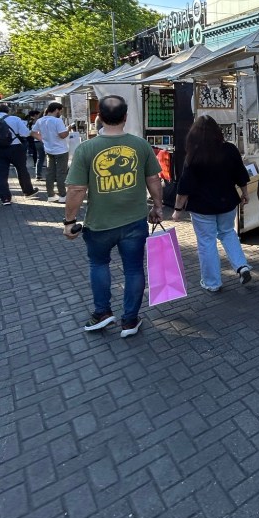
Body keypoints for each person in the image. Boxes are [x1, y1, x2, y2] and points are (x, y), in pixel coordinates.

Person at [64, 94, 163, 337]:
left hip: (99, 224)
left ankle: (102, 313)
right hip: (134, 221)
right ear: (125, 117)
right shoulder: (140, 145)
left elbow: (76, 189)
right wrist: (158, 207)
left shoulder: (86, 148)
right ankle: (129, 320)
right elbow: (153, 179)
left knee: (99, 265)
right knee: (133, 269)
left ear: (99, 117)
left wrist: (69, 221)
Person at [172, 114, 252, 292]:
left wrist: (177, 209)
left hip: (202, 206)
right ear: (218, 131)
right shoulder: (230, 149)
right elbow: (240, 174)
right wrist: (245, 193)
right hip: (227, 202)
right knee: (228, 233)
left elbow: (185, 186)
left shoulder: (194, 154)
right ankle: (242, 266)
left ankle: (212, 283)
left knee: (206, 242)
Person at [0, 104, 39, 206]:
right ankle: (28, 191)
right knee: (22, 169)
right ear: (8, 111)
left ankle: (5, 198)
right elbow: (25, 133)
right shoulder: (15, 119)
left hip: (0, 149)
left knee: (1, 173)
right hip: (16, 148)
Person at [33, 102, 71, 202]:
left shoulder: (40, 120)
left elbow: (33, 132)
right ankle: (63, 195)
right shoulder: (57, 121)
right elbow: (62, 135)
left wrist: (43, 140)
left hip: (49, 149)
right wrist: (68, 130)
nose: (60, 113)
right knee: (61, 173)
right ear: (57, 110)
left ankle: (50, 195)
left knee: (50, 173)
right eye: (60, 111)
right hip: (61, 150)